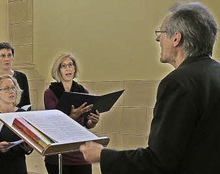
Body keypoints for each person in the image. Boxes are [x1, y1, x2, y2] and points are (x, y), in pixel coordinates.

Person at [80, 2, 220, 173]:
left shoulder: (178, 82)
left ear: (176, 38)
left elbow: (159, 162)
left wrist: (102, 155)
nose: (157, 38)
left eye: (161, 33)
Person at [43, 53, 100, 174]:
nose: (68, 68)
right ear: (58, 71)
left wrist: (93, 121)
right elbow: (53, 125)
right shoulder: (50, 93)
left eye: (70, 65)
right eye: (63, 66)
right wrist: (72, 117)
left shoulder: (83, 91)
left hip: (80, 153)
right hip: (59, 153)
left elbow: (86, 123)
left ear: (74, 68)